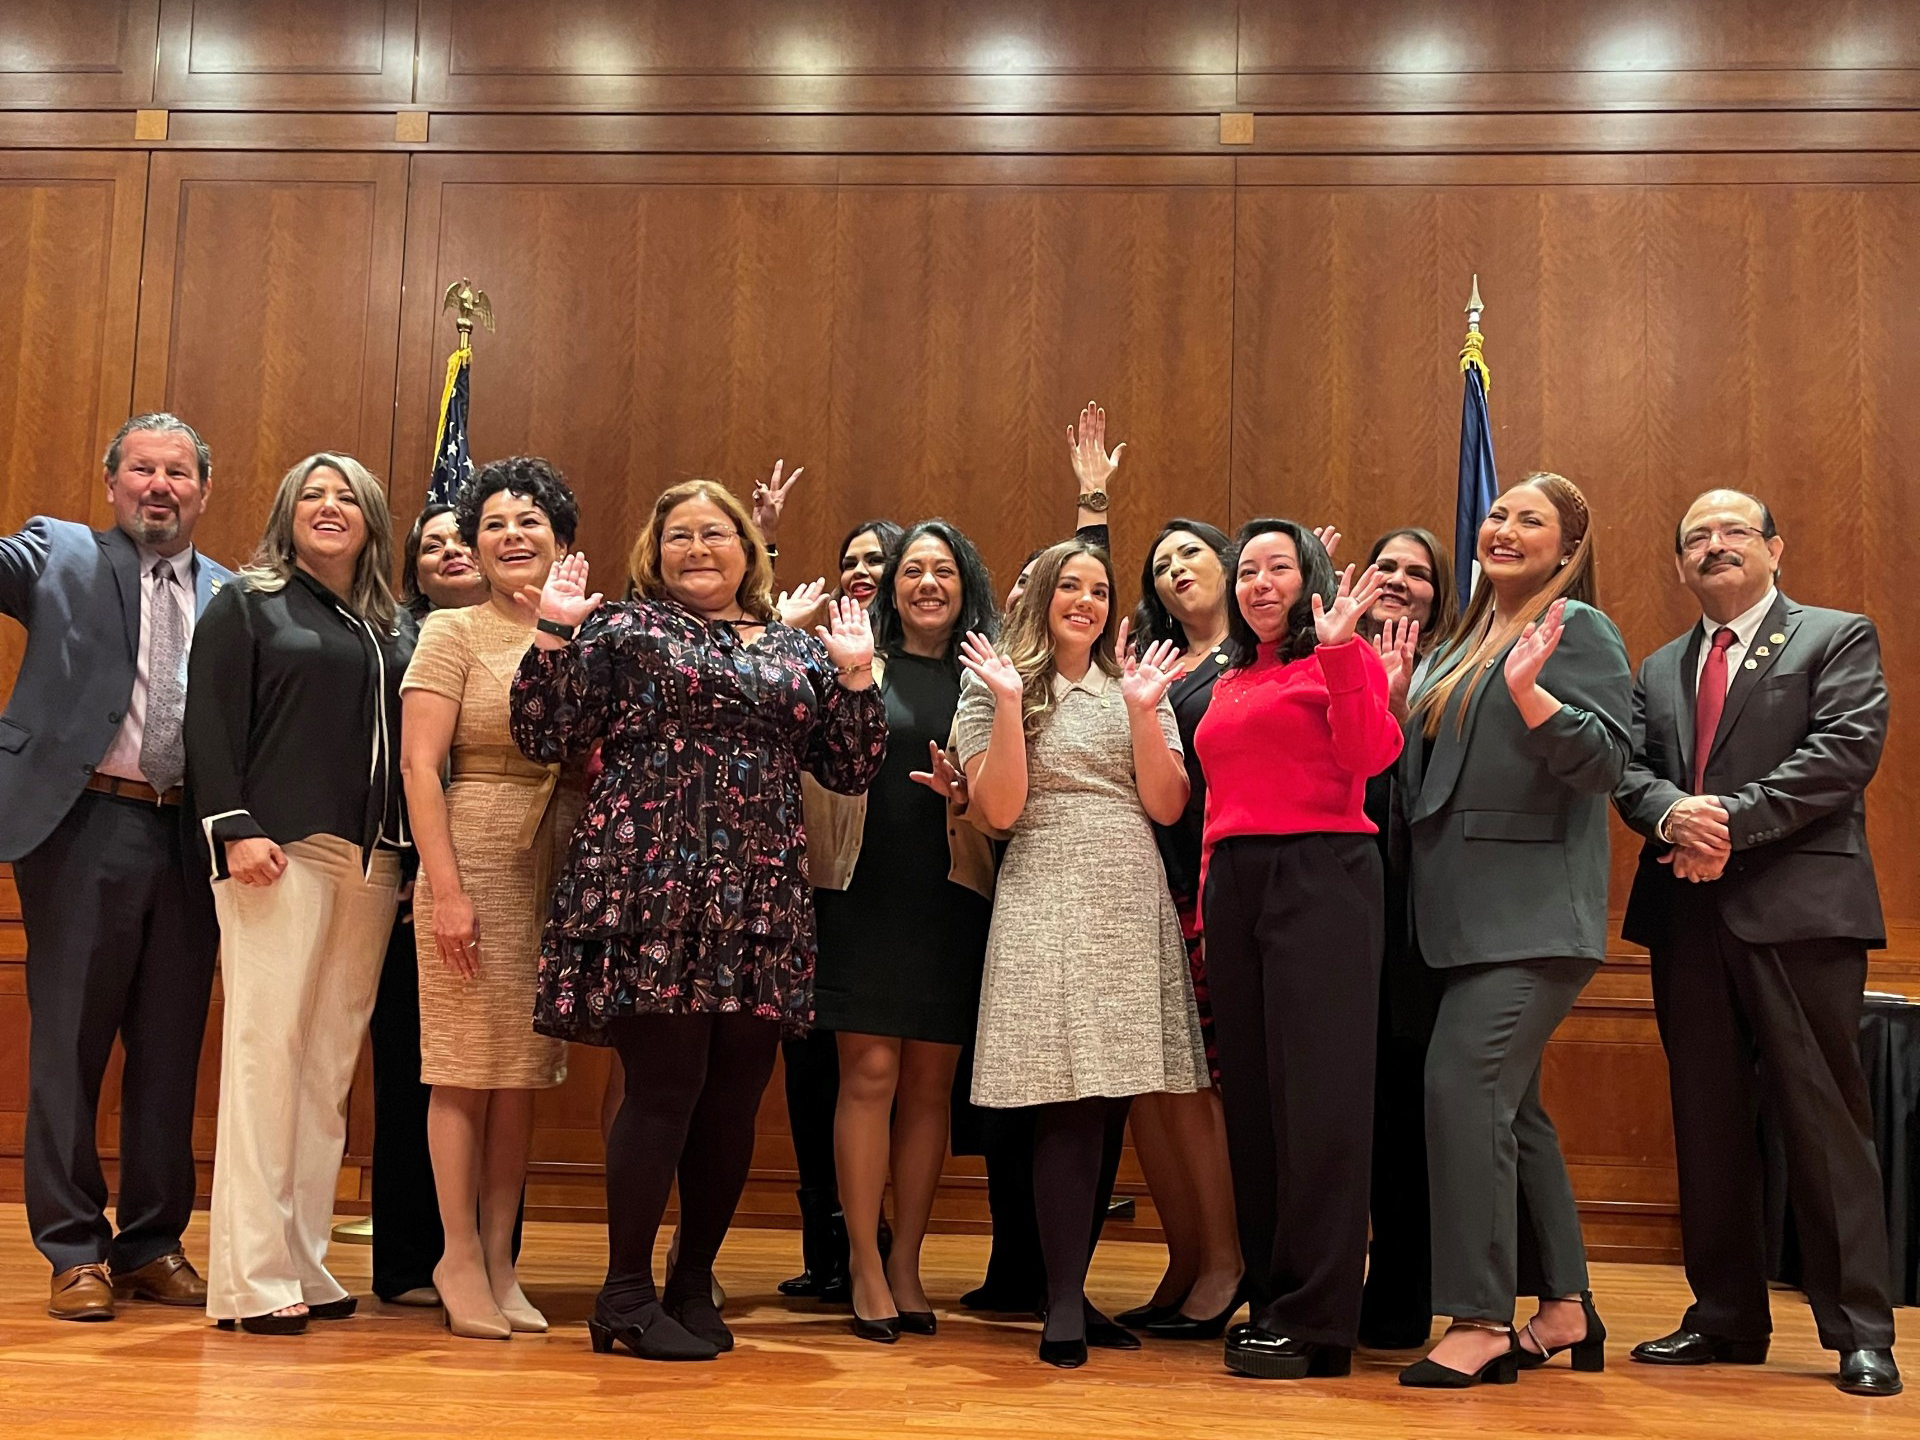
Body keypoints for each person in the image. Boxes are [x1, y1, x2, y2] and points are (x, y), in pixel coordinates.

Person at [510, 480, 885, 1363]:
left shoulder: (799, 648)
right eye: (678, 536)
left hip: (761, 896)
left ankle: (690, 1282)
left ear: (749, 549)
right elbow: (538, 731)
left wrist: (860, 674)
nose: (697, 549)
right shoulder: (624, 628)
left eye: (715, 533)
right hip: (650, 882)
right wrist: (553, 633)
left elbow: (852, 765)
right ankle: (625, 1293)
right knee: (665, 1085)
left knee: (733, 1098)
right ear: (655, 551)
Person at [1615, 490, 1900, 1398]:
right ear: (1679, 565)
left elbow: (1845, 749)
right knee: (1707, 1125)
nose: (1714, 545)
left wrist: (1725, 823)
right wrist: (1672, 816)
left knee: (1824, 1122)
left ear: (1776, 547)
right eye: (1696, 537)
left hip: (1801, 912)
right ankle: (1726, 1315)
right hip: (1686, 920)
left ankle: (1860, 1329)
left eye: (1734, 531)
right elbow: (1629, 772)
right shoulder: (1659, 668)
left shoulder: (1835, 636)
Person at [1396, 474, 1630, 1388]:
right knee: (1514, 1111)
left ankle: (1482, 1318)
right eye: (1498, 514)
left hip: (1533, 916)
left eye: (1530, 520)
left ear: (1568, 546)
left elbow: (1609, 760)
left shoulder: (1579, 627)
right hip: (1459, 916)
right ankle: (1565, 1307)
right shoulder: (1460, 639)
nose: (1503, 528)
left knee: (1461, 1087)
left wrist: (1537, 698)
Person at [955, 537, 1207, 1368]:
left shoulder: (1137, 683)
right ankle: (1060, 1299)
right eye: (1071, 585)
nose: (1086, 601)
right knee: (1063, 1093)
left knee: (1108, 1095)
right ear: (1043, 597)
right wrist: (1001, 706)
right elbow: (998, 810)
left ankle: (1074, 1284)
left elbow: (1168, 805)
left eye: (1100, 589)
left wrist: (1143, 710)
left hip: (1128, 884)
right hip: (1043, 881)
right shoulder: (996, 678)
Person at [0, 414, 230, 1321]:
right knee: (69, 1043)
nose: (161, 485)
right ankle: (73, 1249)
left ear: (203, 491)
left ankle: (152, 1243)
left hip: (189, 841)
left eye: (179, 472)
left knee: (171, 1052)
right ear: (112, 483)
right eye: (143, 469)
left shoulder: (232, 591)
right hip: (81, 823)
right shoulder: (55, 552)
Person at [186, 452, 413, 1335]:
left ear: (371, 522)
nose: (329, 505)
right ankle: (249, 1279)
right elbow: (206, 720)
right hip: (274, 852)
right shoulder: (247, 602)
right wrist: (234, 826)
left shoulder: (390, 628)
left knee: (326, 1071)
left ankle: (302, 1259)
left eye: (346, 496)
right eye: (312, 494)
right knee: (264, 1059)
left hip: (371, 865)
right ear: (288, 513)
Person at [1195, 523, 1401, 1379]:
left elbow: (1369, 756)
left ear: (1310, 577)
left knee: (1320, 1104)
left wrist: (1346, 651)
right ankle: (1275, 1297)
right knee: (1255, 1102)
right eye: (1247, 571)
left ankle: (1319, 1319)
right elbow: (1219, 795)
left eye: (1278, 566)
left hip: (1324, 873)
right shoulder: (1233, 677)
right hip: (1236, 880)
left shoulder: (1341, 661)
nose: (1260, 582)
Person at [400, 457, 587, 1340]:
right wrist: (444, 890)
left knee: (522, 1077)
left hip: (563, 858)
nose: (512, 537)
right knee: (466, 1066)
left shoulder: (587, 628)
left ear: (563, 543)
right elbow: (419, 765)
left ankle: (503, 1257)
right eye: (495, 525)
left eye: (531, 524)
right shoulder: (453, 631)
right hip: (473, 848)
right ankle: (456, 1257)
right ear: (474, 544)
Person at [806, 520, 1000, 1341]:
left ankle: (909, 1262)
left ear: (966, 587)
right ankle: (862, 1259)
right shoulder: (855, 663)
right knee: (870, 1074)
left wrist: (970, 793)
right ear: (890, 587)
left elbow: (1012, 794)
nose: (927, 583)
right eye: (912, 570)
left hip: (952, 891)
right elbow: (809, 755)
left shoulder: (991, 677)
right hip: (861, 887)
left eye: (943, 571)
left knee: (928, 1085)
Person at [1114, 519, 1245, 1338]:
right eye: (1159, 564)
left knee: (1200, 1088)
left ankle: (1229, 1261)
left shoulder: (1255, 655)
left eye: (1188, 553)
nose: (1173, 572)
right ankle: (1184, 1255)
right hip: (1143, 887)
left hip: (1214, 888)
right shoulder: (1152, 663)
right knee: (1150, 1090)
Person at [367, 501, 490, 1310]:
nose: (449, 551)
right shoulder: (394, 642)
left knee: (492, 1074)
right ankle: (411, 1260)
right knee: (412, 1068)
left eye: (460, 539)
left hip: (507, 877)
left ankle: (485, 1256)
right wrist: (424, 871)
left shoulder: (534, 631)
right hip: (408, 885)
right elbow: (400, 768)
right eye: (431, 545)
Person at [1354, 526, 1459, 1350]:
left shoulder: (1455, 675)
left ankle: (1401, 1291)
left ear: (1439, 594)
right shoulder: (1332, 663)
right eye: (1385, 566)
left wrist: (1398, 706)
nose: (1397, 581)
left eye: (1416, 574)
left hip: (1420, 928)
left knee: (1404, 1119)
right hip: (1330, 914)